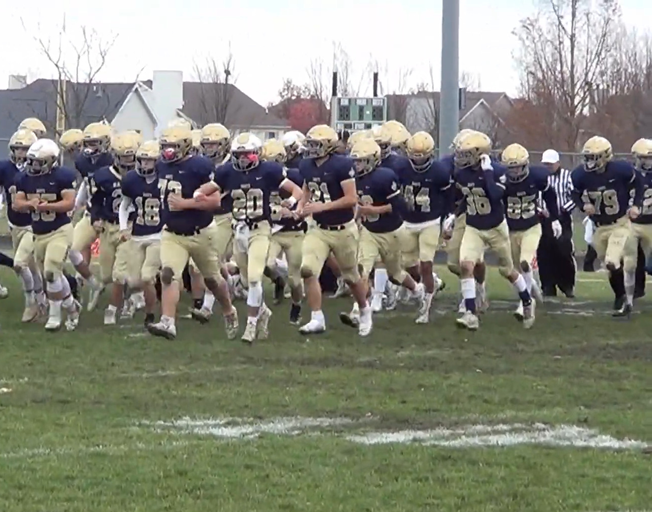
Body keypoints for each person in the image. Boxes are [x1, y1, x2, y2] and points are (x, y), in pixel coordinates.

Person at [537, 149, 576, 297]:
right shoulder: (539, 177)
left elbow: (575, 196)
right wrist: (540, 209)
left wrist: (563, 209)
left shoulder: (567, 176)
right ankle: (547, 286)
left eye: (550, 164)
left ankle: (567, 285)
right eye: (545, 164)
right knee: (544, 253)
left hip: (562, 218)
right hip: (544, 219)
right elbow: (534, 196)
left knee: (563, 250)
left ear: (558, 163)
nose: (548, 167)